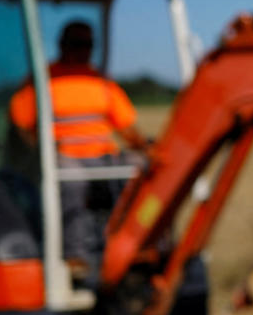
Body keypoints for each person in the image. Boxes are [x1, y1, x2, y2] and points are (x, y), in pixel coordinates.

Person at [9, 20, 149, 274]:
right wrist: (42, 148)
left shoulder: (101, 82)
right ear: (62, 45)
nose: (82, 49)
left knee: (139, 169)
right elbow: (21, 125)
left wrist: (146, 147)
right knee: (72, 180)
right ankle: (76, 256)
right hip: (64, 157)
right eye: (77, 43)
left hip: (102, 154)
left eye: (88, 44)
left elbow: (127, 128)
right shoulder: (43, 80)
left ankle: (131, 243)